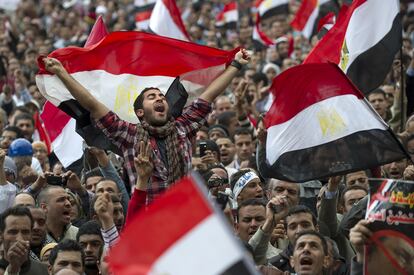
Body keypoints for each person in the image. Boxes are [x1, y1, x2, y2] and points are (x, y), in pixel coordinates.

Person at [43, 49, 250, 204]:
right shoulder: (129, 135)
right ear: (140, 112)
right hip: (148, 219)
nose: (160, 99)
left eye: (161, 97)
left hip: (184, 215)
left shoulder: (183, 127)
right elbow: (92, 104)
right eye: (152, 97)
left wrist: (236, 65)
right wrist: (62, 73)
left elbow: (209, 95)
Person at [270, 205, 319, 273]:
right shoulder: (275, 266)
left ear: (316, 229)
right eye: (293, 227)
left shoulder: (330, 261)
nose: (299, 231)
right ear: (285, 233)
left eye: (305, 225)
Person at [1, 206, 48, 275]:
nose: (19, 238)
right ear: (1, 235)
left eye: (25, 232)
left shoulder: (43, 270)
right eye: (13, 232)